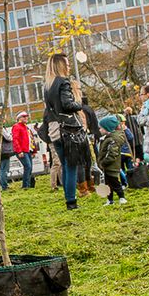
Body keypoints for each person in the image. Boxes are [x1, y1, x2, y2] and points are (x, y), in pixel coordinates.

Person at [43, 53, 86, 210]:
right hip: (67, 129)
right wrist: (79, 104)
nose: (69, 67)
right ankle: (71, 201)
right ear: (60, 65)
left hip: (54, 129)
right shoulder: (63, 82)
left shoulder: (47, 85)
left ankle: (69, 199)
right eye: (67, 64)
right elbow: (67, 104)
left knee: (65, 165)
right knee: (71, 165)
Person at [96, 116, 129, 205]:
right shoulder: (107, 138)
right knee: (107, 184)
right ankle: (110, 200)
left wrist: (103, 162)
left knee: (115, 183)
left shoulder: (112, 140)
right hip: (106, 167)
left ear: (107, 128)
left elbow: (112, 154)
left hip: (111, 166)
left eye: (101, 128)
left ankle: (122, 197)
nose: (99, 130)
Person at [11, 111, 36, 189]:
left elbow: (31, 139)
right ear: (19, 118)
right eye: (24, 117)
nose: (26, 118)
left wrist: (33, 150)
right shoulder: (16, 126)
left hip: (28, 150)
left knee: (30, 167)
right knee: (28, 167)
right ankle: (25, 185)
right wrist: (19, 151)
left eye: (26, 116)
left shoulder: (26, 127)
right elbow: (15, 139)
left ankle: (28, 184)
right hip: (22, 151)